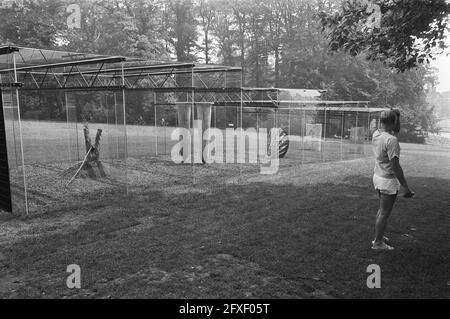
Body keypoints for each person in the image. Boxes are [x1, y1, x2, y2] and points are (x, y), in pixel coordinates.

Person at [371, 109, 414, 251]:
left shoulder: (376, 134)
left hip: (377, 177)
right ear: (393, 122)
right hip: (387, 181)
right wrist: (406, 187)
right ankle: (378, 243)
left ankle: (379, 236)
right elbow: (396, 167)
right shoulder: (392, 140)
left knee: (381, 210)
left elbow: (393, 129)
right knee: (384, 213)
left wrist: (396, 117)